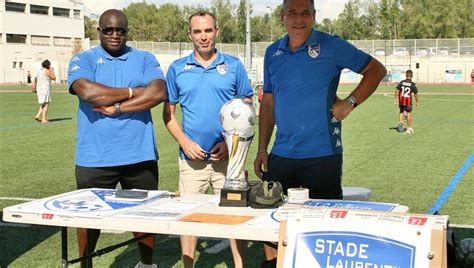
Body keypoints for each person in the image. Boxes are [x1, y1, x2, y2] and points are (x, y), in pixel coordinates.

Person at [253, 0, 387, 264]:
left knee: (325, 228)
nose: (299, 19)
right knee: (270, 221)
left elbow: (376, 70)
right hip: (282, 153)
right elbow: (268, 102)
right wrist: (261, 148)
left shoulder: (331, 45)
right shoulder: (272, 52)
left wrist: (349, 103)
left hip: (322, 154)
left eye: (305, 13)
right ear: (283, 17)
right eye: (293, 13)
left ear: (314, 16)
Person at [67, 9, 167, 268]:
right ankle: (85, 264)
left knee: (144, 217)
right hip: (95, 157)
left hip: (139, 153)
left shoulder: (144, 58)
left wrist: (119, 107)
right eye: (108, 30)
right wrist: (134, 91)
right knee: (88, 219)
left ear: (126, 32)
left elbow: (157, 93)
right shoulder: (83, 59)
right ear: (98, 31)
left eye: (120, 30)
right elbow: (89, 93)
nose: (114, 35)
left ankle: (147, 263)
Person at [162, 11, 253, 268]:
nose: (204, 37)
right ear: (190, 34)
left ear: (217, 31)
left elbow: (246, 105)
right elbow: (168, 115)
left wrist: (229, 142)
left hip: (230, 159)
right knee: (189, 219)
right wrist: (184, 142)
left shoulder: (233, 66)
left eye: (208, 30)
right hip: (192, 162)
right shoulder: (178, 69)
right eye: (198, 31)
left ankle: (239, 266)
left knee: (236, 216)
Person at [34, 60, 56, 124]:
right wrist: (52, 71)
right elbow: (54, 78)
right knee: (46, 103)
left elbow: (35, 78)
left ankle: (38, 115)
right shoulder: (47, 71)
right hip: (45, 88)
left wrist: (34, 85)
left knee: (43, 102)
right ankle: (43, 119)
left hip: (39, 87)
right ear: (48, 65)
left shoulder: (39, 70)